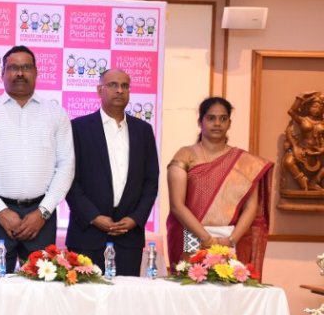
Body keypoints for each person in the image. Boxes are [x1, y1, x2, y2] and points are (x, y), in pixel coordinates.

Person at [0, 45, 75, 274]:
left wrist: (43, 212)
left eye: (26, 67)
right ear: (2, 73)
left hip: (41, 215)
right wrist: (0, 211)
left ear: (36, 73)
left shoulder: (55, 113)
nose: (20, 73)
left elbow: (66, 165)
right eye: (13, 68)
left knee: (41, 287)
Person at [166, 96, 274, 279]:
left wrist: (230, 241)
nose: (217, 123)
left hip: (230, 239)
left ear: (229, 123)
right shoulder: (185, 155)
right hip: (190, 236)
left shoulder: (246, 163)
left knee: (229, 288)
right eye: (211, 118)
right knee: (190, 285)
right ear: (200, 122)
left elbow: (251, 208)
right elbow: (177, 205)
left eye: (223, 119)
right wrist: (207, 239)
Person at [65, 69, 159, 276]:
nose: (120, 90)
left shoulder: (143, 130)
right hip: (87, 235)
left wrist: (135, 218)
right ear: (100, 90)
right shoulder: (78, 128)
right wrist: (94, 217)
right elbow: (69, 180)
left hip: (129, 236)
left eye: (125, 86)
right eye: (113, 85)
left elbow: (151, 181)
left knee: (126, 294)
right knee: (85, 294)